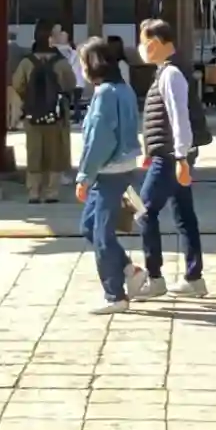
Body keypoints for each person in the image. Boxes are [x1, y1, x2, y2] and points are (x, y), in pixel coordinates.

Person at [133, 17, 209, 298]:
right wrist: (150, 151)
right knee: (184, 215)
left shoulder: (171, 74)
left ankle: (155, 277)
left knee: (144, 211)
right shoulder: (167, 71)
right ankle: (193, 277)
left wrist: (181, 158)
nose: (141, 48)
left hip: (172, 156)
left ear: (154, 43)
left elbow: (180, 120)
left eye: (143, 42)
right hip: (169, 154)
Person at [73, 37, 142, 310]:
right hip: (124, 167)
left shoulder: (104, 94)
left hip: (108, 171)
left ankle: (115, 295)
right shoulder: (124, 89)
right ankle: (129, 270)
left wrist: (84, 176)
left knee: (101, 234)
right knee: (90, 226)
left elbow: (99, 141)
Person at [10, 20, 73, 203]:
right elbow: (70, 83)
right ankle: (52, 191)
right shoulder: (61, 62)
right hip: (57, 116)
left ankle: (34, 192)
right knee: (55, 153)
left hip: (33, 115)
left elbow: (17, 84)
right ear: (50, 38)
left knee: (34, 152)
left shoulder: (27, 62)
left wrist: (30, 97)